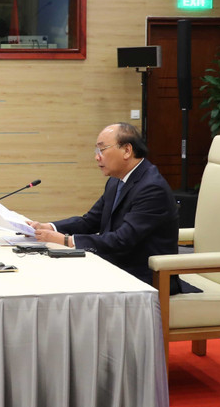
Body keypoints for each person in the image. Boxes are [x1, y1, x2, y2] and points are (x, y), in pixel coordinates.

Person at [28, 122, 190, 295]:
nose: (97, 157)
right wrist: (50, 227)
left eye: (102, 149)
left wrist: (66, 241)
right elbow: (90, 221)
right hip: (116, 265)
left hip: (145, 277)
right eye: (96, 151)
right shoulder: (115, 180)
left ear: (127, 150)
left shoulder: (151, 187)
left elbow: (122, 240)